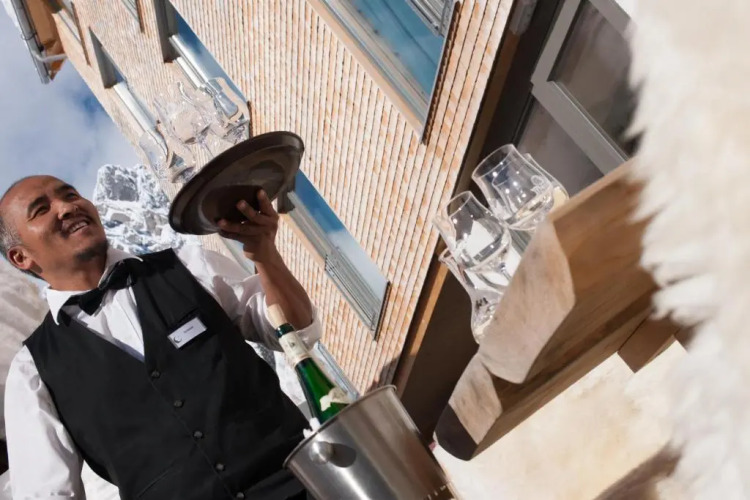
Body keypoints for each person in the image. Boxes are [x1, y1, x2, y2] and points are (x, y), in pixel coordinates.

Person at [0, 175, 320, 499]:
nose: (67, 207)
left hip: (306, 485)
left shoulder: (189, 265)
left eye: (70, 194)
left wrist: (265, 254)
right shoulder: (33, 370)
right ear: (21, 257)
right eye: (41, 209)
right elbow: (46, 494)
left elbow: (296, 333)